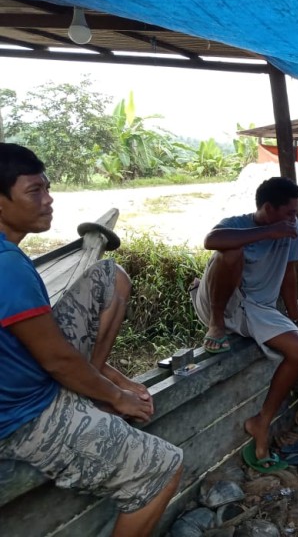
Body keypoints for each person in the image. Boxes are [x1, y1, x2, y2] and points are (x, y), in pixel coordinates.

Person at [0, 143, 183, 537]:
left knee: (110, 276)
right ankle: (93, 390)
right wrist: (119, 398)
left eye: (47, 188)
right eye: (34, 191)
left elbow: (42, 344)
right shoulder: (7, 267)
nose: (49, 200)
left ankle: (94, 380)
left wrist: (110, 379)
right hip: (21, 417)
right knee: (165, 468)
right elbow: (57, 361)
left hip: (21, 380)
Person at [192, 176, 298, 463]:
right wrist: (268, 233)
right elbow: (211, 240)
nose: (293, 218)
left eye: (295, 212)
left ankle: (262, 421)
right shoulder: (241, 224)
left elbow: (290, 273)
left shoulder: (291, 228)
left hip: (258, 308)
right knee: (230, 252)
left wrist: (294, 313)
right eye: (289, 212)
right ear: (268, 209)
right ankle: (216, 325)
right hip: (224, 301)